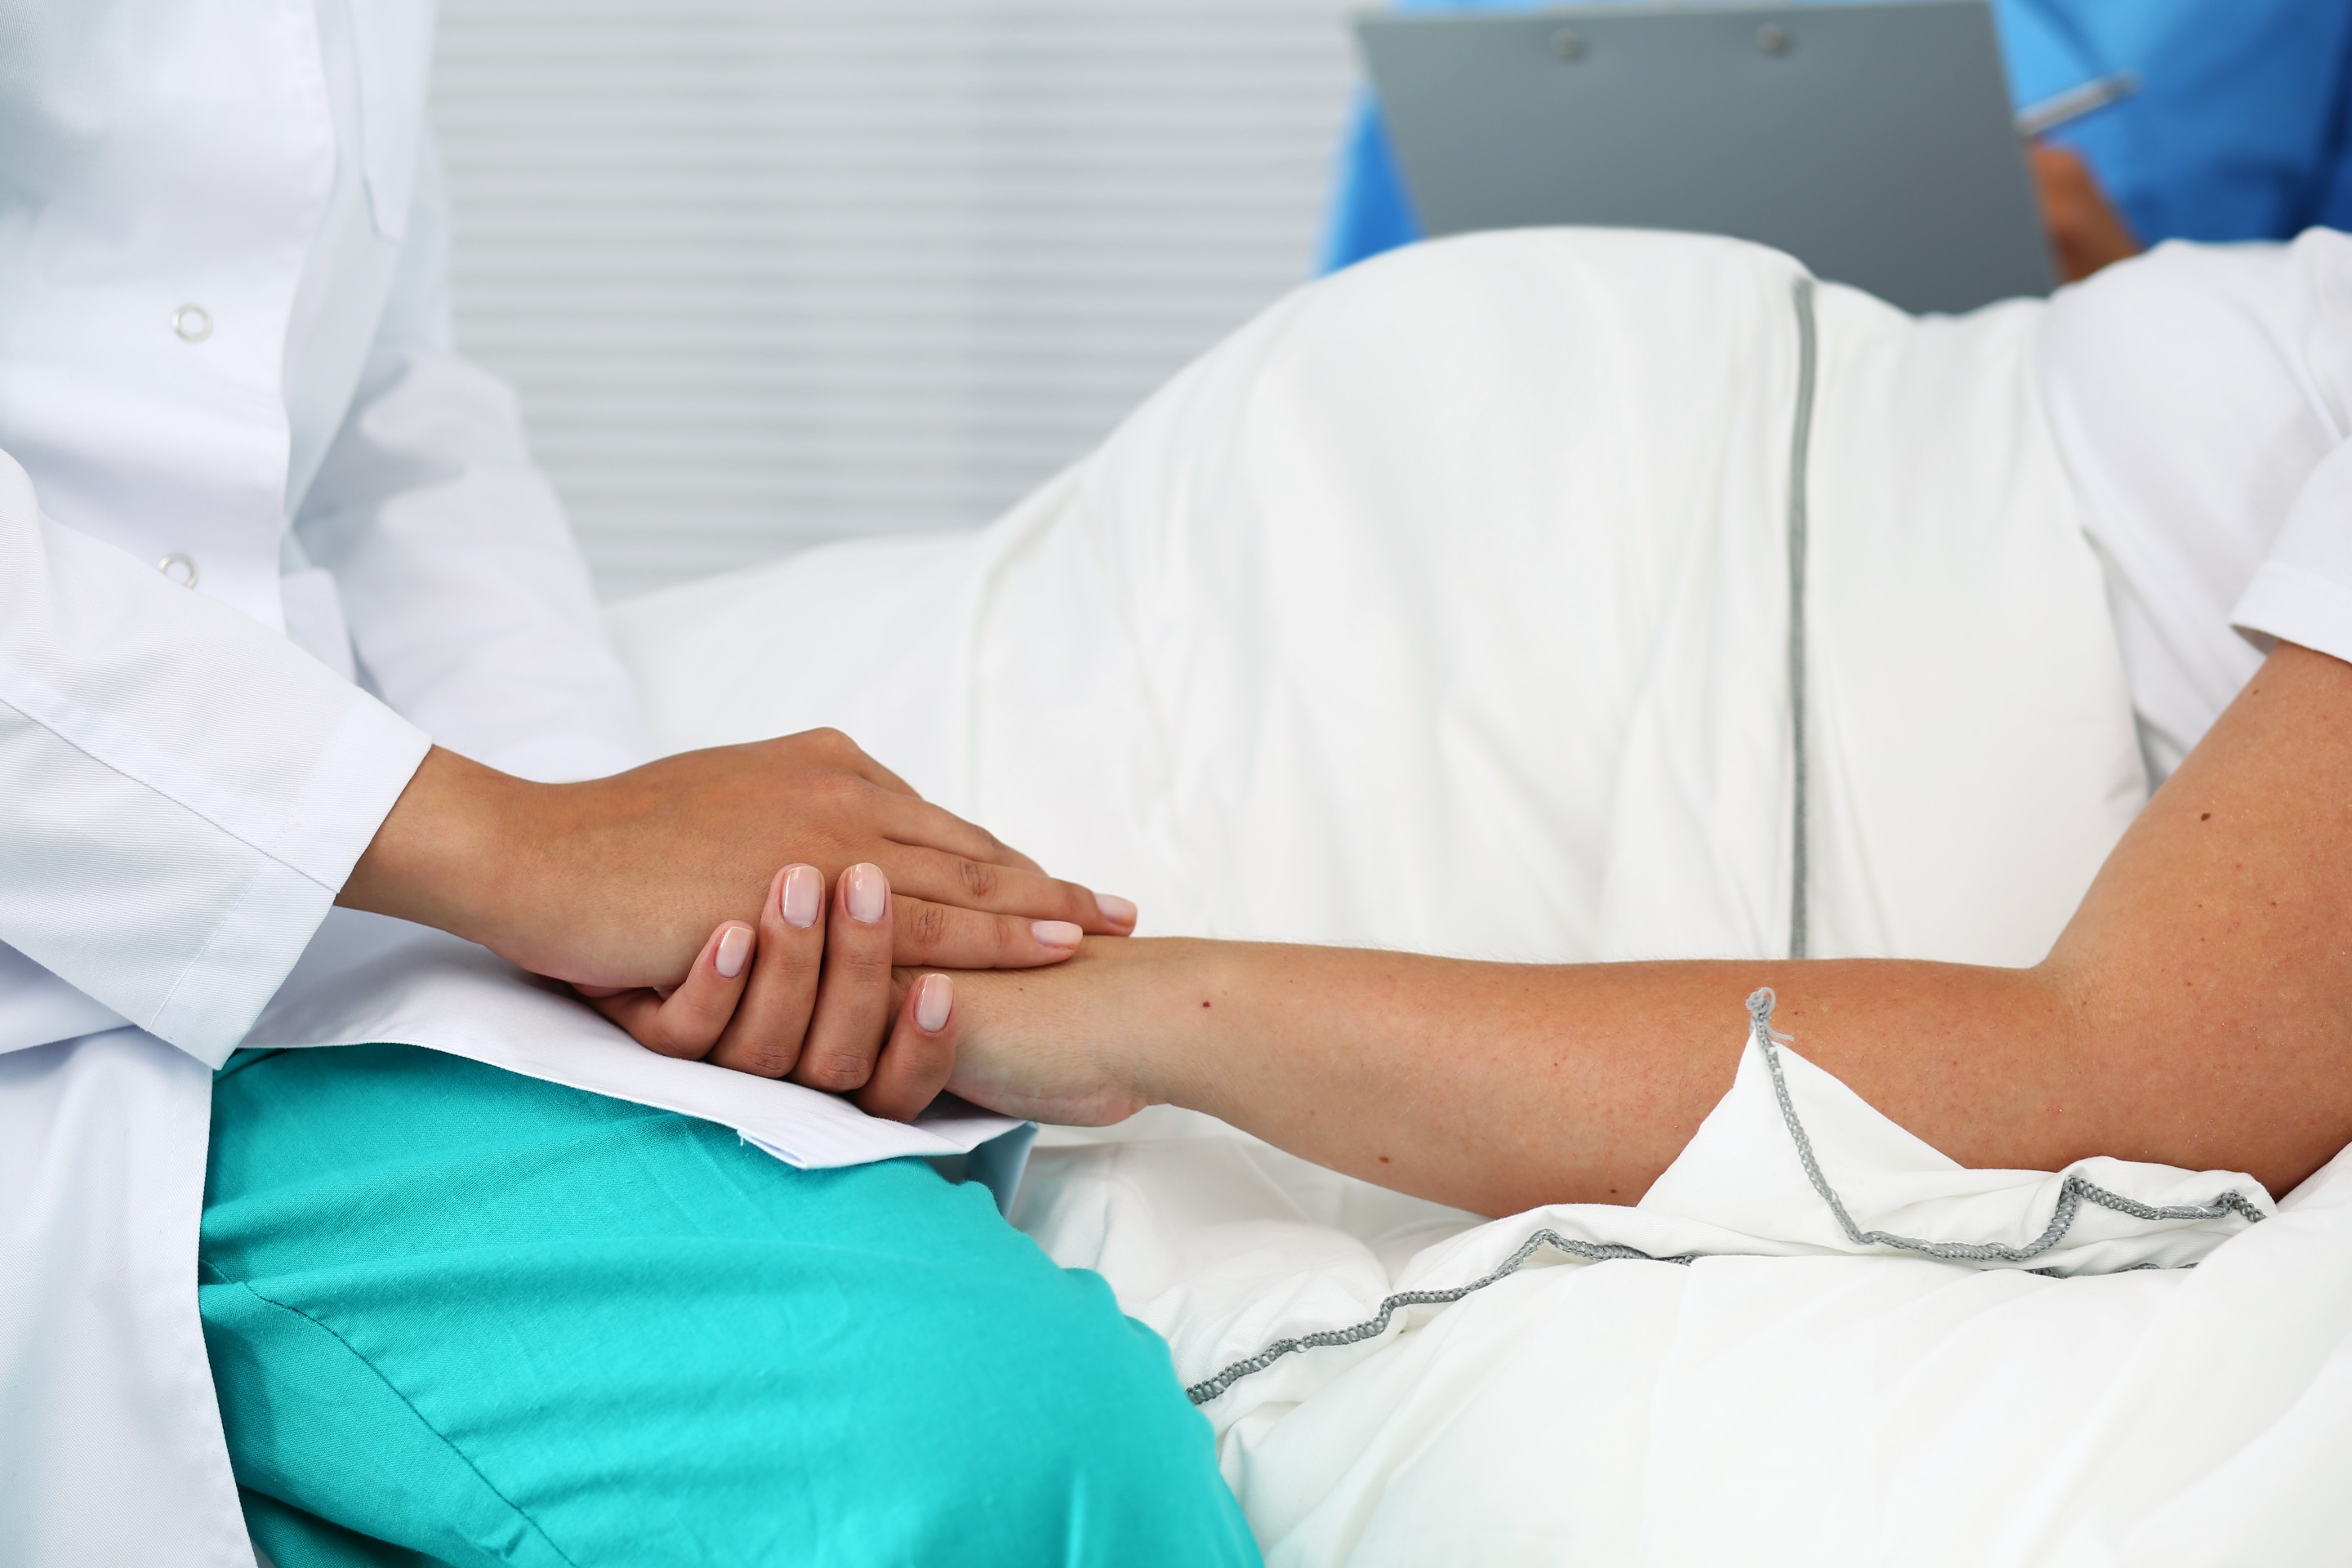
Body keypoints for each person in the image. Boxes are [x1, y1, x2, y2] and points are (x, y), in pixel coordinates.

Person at [0, 7, 1254, 1566]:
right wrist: (517, 849)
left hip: (327, 918)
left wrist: (642, 890)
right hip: (75, 993)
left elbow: (383, 424)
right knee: (986, 1456)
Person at [652, 221, 2352, 1225]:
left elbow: (2141, 1075)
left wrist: (1136, 1006)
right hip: (1464, 507)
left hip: (1520, 731)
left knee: (632, 882)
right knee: (614, 774)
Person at [1324, 0, 2352, 285]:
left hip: (2088, 560)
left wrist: (2133, 306)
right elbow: (1356, 362)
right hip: (1590, 563)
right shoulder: (1472, 25)